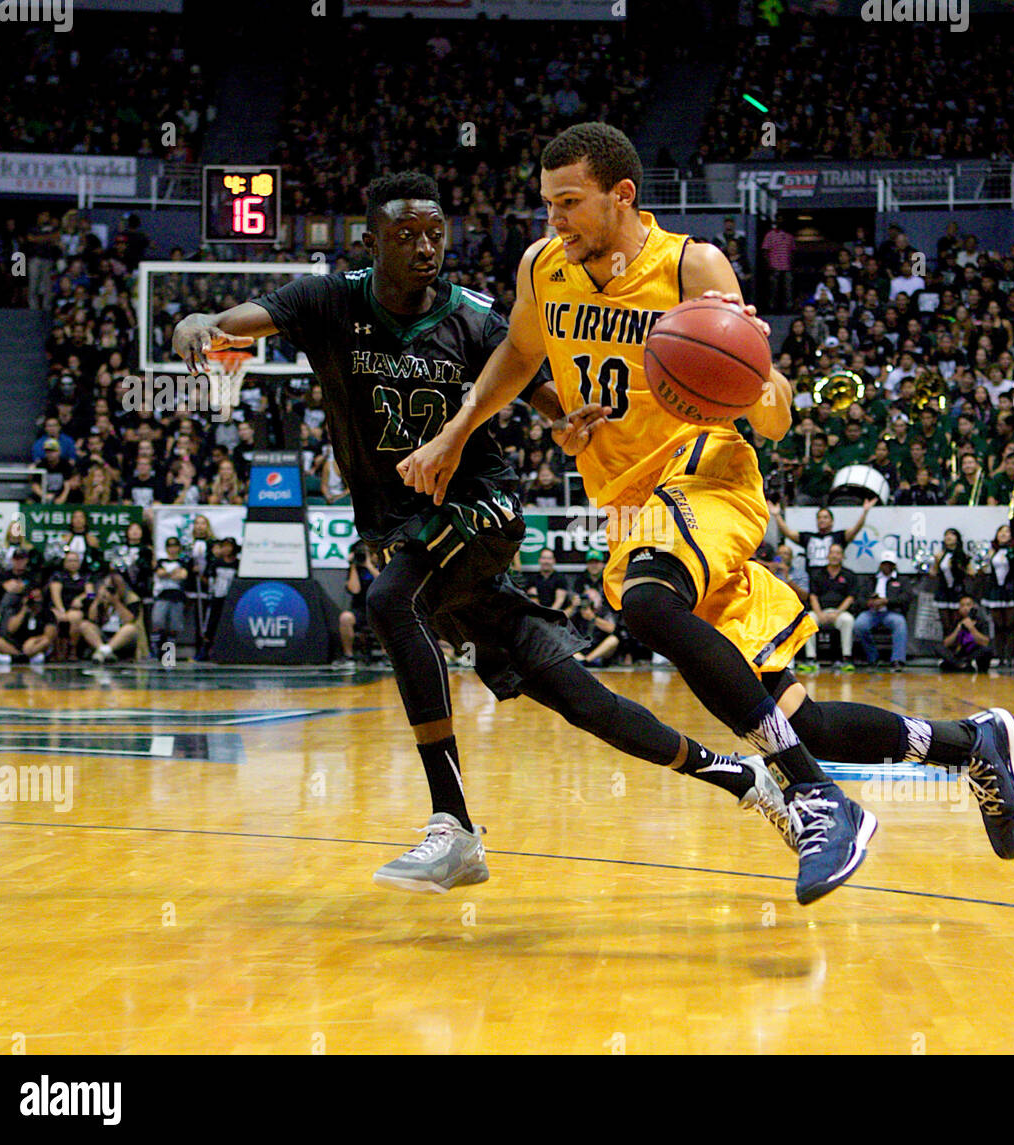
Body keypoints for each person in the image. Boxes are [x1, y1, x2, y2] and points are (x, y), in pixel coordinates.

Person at [401, 124, 1014, 901]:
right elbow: (521, 358)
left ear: (621, 195)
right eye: (547, 204)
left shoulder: (690, 266)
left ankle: (812, 797)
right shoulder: (543, 268)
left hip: (707, 475)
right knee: (803, 715)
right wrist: (472, 428)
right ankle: (973, 744)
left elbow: (774, 415)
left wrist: (757, 383)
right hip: (631, 503)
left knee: (646, 599)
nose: (553, 220)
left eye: (569, 203)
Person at [172, 169, 797, 898]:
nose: (426, 247)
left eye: (436, 233)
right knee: (581, 700)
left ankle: (453, 824)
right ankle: (740, 775)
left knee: (388, 601)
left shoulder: (470, 315)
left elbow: (532, 382)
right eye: (406, 236)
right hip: (410, 528)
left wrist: (563, 418)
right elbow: (240, 320)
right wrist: (198, 324)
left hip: (481, 510)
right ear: (372, 243)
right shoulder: (327, 300)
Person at [980, 524, 1014, 667]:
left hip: (1010, 590)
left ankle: (1010, 656)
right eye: (1000, 532)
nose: (1003, 534)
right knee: (998, 625)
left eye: (1007, 532)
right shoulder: (991, 551)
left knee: (1010, 625)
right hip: (996, 590)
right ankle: (1000, 656)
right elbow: (984, 570)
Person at [852, 550, 911, 671]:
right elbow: (859, 598)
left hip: (891, 612)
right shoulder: (871, 579)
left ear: (894, 565)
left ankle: (897, 660)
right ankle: (873, 658)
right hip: (871, 612)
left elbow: (906, 598)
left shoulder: (901, 580)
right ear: (880, 565)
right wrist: (870, 603)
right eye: (884, 564)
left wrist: (887, 601)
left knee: (900, 623)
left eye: (889, 564)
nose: (886, 567)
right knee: (859, 625)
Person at [807, 542, 857, 672]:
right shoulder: (818, 574)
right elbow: (813, 597)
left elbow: (850, 597)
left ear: (842, 556)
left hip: (839, 612)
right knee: (808, 619)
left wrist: (838, 613)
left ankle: (846, 659)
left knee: (848, 620)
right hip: (820, 612)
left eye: (838, 553)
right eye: (832, 553)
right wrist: (819, 614)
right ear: (827, 556)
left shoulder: (849, 575)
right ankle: (810, 659)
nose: (835, 556)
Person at [76, 573, 144, 662]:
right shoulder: (96, 596)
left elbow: (129, 620)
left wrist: (116, 603)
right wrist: (97, 600)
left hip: (122, 637)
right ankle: (105, 651)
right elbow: (91, 618)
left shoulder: (132, 598)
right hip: (102, 635)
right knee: (84, 625)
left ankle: (102, 652)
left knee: (130, 628)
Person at [337, 540, 379, 668]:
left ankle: (385, 655)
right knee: (345, 618)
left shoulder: (383, 566)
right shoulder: (355, 570)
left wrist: (369, 566)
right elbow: (355, 590)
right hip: (361, 609)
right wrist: (353, 566)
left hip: (380, 608)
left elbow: (384, 584)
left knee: (388, 617)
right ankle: (349, 656)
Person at [931, 528, 974, 638]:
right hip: (943, 591)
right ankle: (946, 651)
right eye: (946, 535)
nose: (948, 537)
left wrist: (961, 567)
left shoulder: (963, 555)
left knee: (956, 623)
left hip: (958, 591)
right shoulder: (940, 555)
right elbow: (933, 572)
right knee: (945, 624)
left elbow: (971, 572)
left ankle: (957, 651)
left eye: (951, 535)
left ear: (957, 538)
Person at [940, 595, 994, 673]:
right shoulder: (955, 622)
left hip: (973, 651)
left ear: (974, 607)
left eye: (968, 605)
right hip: (959, 652)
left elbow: (985, 642)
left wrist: (971, 628)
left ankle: (959, 663)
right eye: (962, 606)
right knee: (938, 647)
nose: (965, 608)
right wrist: (958, 628)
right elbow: (946, 643)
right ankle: (960, 664)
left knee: (987, 650)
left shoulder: (982, 622)